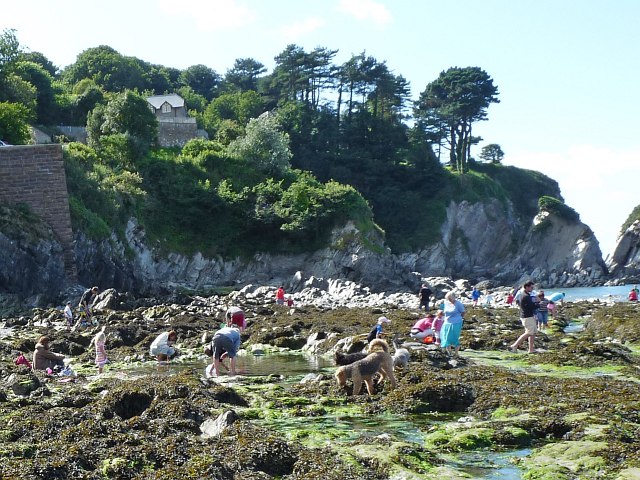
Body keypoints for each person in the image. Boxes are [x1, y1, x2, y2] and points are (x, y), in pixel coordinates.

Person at [510, 281, 537, 354]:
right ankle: (514, 345)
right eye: (531, 287)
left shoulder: (525, 295)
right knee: (528, 332)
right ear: (527, 287)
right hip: (527, 317)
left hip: (529, 316)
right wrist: (538, 304)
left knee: (533, 332)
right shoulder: (526, 296)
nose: (532, 289)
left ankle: (531, 349)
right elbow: (532, 306)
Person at [440, 292, 465, 357]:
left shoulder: (458, 304)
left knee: (454, 337)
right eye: (448, 299)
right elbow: (442, 310)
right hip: (447, 322)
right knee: (446, 337)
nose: (449, 300)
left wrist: (459, 318)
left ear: (454, 297)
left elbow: (463, 312)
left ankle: (456, 353)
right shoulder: (445, 303)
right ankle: (449, 352)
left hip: (456, 323)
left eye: (450, 298)